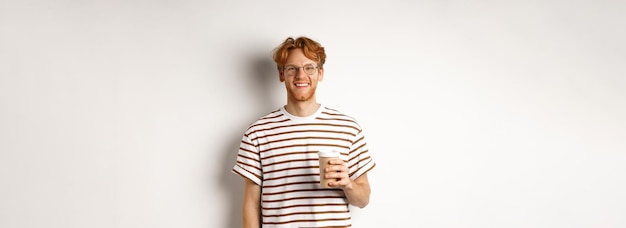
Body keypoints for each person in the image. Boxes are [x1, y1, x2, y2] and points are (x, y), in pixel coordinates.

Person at [232, 36, 376, 228]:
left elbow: (363, 200)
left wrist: (347, 183)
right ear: (281, 74)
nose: (301, 75)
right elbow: (251, 204)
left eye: (309, 68)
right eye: (292, 68)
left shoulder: (348, 128)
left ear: (320, 73)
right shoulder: (257, 133)